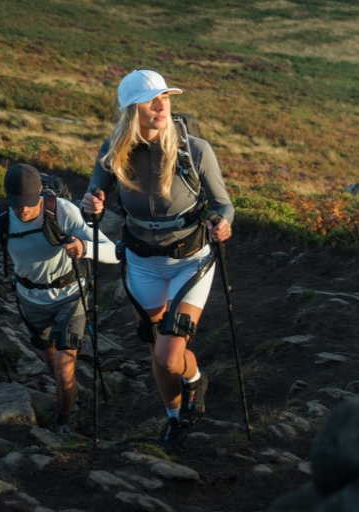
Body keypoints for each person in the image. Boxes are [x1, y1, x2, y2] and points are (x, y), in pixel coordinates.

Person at [82, 70, 233, 452]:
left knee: (169, 356)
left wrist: (223, 223)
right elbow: (91, 200)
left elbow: (222, 205)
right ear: (131, 109)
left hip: (189, 260)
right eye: (152, 99)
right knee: (156, 351)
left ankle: (195, 379)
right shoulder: (112, 151)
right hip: (140, 261)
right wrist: (92, 204)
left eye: (165, 97)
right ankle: (174, 417)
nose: (161, 105)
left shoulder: (194, 150)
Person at [0, 163, 119, 436]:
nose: (23, 210)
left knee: (64, 370)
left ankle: (63, 423)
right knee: (51, 360)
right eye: (17, 204)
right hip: (30, 299)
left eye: (29, 203)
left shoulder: (63, 210)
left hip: (70, 296)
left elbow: (114, 252)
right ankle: (65, 396)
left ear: (41, 192)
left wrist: (84, 247)